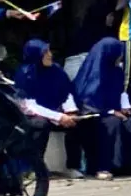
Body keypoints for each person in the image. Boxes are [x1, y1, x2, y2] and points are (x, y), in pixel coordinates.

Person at [72, 38, 131, 180]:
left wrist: (126, 108)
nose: (120, 56)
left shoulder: (117, 71)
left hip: (113, 111)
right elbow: (88, 100)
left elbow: (120, 92)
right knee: (112, 123)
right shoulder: (93, 73)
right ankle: (103, 167)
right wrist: (111, 111)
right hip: (93, 115)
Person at [14, 39, 83, 178]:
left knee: (76, 125)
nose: (50, 55)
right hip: (32, 115)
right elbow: (29, 106)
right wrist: (58, 117)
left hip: (56, 113)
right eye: (45, 52)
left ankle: (72, 166)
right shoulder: (25, 74)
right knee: (40, 125)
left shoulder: (56, 70)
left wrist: (70, 111)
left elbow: (67, 91)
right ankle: (33, 168)